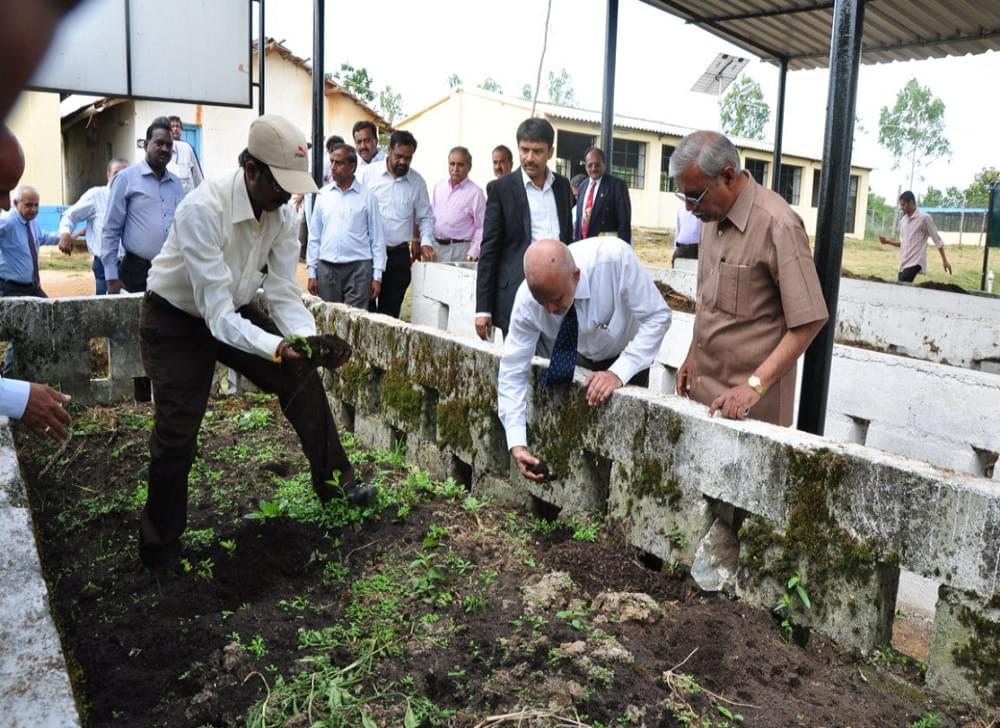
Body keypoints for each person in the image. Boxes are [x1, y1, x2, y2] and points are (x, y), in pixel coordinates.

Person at [138, 115, 375, 568]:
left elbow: (283, 292)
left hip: (234, 304)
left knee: (300, 374)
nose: (287, 196)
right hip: (176, 319)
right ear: (252, 170)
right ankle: (159, 547)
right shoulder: (202, 210)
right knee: (176, 430)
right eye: (280, 185)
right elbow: (217, 316)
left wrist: (306, 344)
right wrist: (275, 347)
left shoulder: (282, 215)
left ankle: (338, 486)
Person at [671, 131, 828, 426]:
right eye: (684, 197)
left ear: (728, 176)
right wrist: (693, 354)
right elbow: (709, 302)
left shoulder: (778, 225)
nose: (689, 208)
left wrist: (754, 386)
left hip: (750, 412)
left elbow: (810, 320)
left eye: (695, 196)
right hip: (703, 399)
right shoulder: (710, 218)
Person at [497, 238, 670, 480]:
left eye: (557, 299)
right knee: (584, 438)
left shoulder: (614, 260)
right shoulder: (527, 299)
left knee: (628, 445)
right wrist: (517, 442)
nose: (550, 310)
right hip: (576, 355)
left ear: (575, 276)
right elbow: (513, 369)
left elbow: (658, 317)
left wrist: (619, 372)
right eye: (542, 302)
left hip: (629, 356)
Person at [0, 124, 72, 442]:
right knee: (18, 333)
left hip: (31, 286)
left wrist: (66, 236)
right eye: (27, 205)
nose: (31, 209)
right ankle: (11, 377)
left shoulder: (31, 225)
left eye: (35, 205)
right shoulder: (7, 223)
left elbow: (45, 237)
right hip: (11, 287)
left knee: (50, 316)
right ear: (19, 204)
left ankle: (27, 378)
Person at [475, 118, 573, 341]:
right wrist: (483, 309)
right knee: (518, 359)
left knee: (554, 358)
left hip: (558, 295)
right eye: (524, 150)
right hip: (517, 294)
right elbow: (489, 250)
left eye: (537, 151)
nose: (529, 158)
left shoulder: (562, 186)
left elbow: (568, 239)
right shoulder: (501, 190)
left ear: (550, 152)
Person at [102, 117, 184, 294]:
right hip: (135, 272)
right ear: (146, 145)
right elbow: (110, 229)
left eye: (169, 145)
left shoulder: (176, 184)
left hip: (169, 273)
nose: (165, 149)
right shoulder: (125, 179)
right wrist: (111, 277)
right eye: (159, 143)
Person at [362, 129, 435, 318]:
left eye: (408, 158)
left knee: (390, 314)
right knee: (365, 310)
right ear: (389, 151)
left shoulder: (417, 182)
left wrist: (426, 241)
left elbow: (425, 216)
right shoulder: (368, 174)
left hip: (398, 257)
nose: (403, 162)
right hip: (368, 254)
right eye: (399, 156)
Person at [307, 143, 385, 308]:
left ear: (352, 166)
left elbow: (377, 238)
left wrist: (377, 276)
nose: (333, 167)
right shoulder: (323, 195)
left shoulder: (368, 197)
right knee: (329, 317)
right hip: (327, 267)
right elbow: (314, 236)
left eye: (339, 163)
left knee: (354, 318)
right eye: (332, 162)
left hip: (358, 269)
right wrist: (312, 271)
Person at [58, 158, 129, 294]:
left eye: (125, 173)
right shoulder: (96, 196)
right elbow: (70, 215)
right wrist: (65, 233)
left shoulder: (134, 198)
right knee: (104, 304)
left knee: (130, 304)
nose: (120, 177)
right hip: (104, 266)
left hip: (130, 265)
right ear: (108, 175)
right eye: (116, 173)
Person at [879, 190, 952, 282]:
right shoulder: (903, 221)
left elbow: (937, 241)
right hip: (904, 263)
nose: (902, 208)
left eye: (903, 205)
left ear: (911, 202)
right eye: (901, 205)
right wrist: (887, 242)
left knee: (903, 283)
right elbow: (903, 243)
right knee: (901, 286)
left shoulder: (924, 218)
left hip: (916, 262)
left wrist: (944, 260)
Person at [431, 146, 485, 262]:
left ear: (469, 167)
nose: (455, 168)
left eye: (460, 165)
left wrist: (472, 254)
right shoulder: (439, 187)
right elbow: (431, 217)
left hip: (459, 251)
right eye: (452, 164)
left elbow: (482, 227)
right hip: (436, 248)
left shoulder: (476, 193)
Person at [574, 147, 632, 242]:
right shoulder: (582, 186)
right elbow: (579, 221)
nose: (593, 168)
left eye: (597, 165)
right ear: (585, 166)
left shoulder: (617, 186)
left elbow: (624, 224)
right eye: (590, 165)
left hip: (605, 246)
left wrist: (624, 247)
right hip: (583, 245)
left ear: (604, 164)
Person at [167, 115, 205, 195]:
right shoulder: (163, 149)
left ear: (181, 130)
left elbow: (198, 177)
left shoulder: (188, 148)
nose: (175, 129)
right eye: (172, 126)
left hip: (187, 198)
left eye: (177, 126)